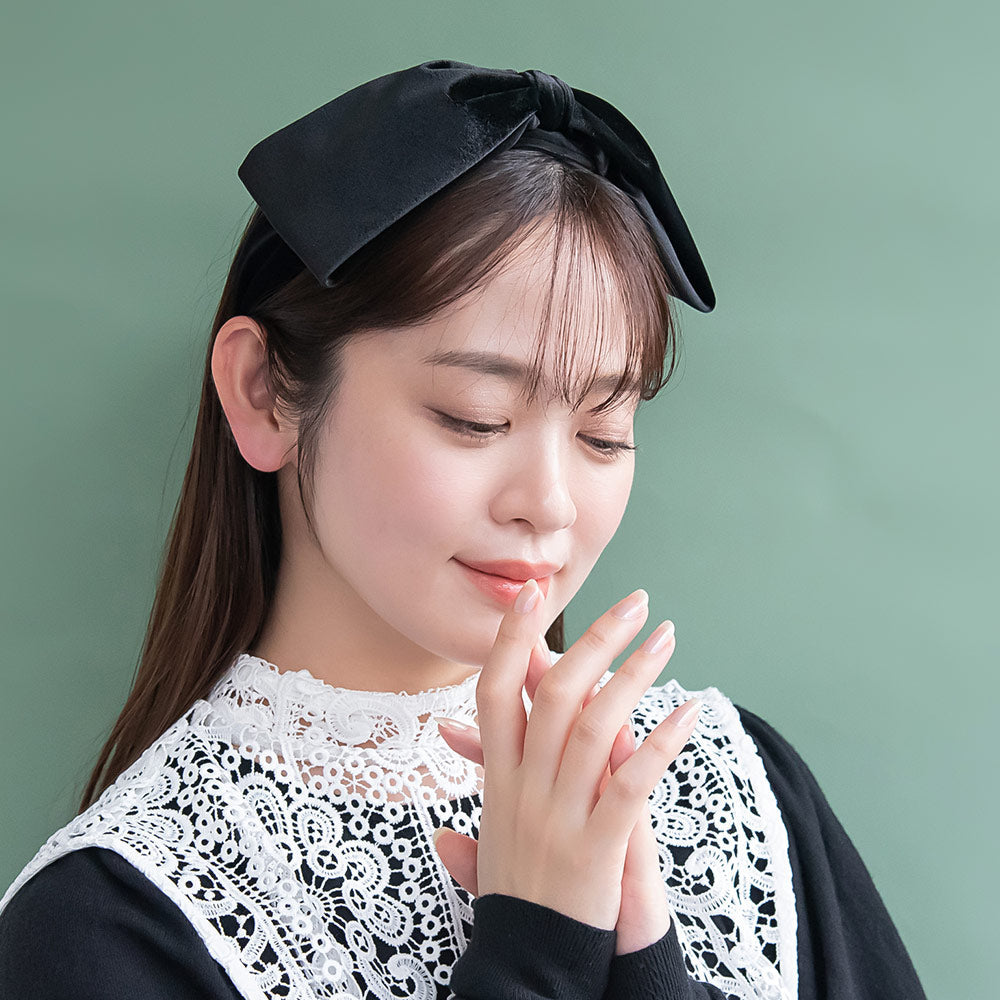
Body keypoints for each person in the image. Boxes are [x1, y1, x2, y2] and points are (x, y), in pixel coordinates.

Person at [0, 59, 925, 1000]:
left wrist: (646, 965)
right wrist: (540, 946)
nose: (551, 503)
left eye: (604, 432)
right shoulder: (113, 918)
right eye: (476, 417)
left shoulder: (745, 796)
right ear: (264, 392)